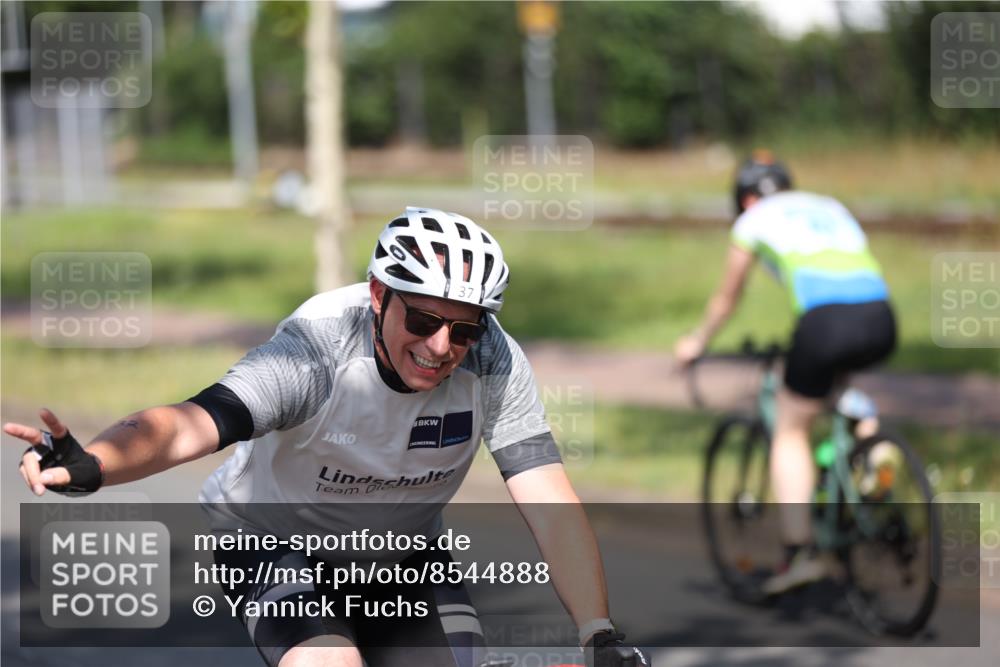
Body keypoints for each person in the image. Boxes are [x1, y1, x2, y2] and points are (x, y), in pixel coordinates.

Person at [8, 207, 648, 667]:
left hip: (399, 552)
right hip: (272, 544)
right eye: (423, 319)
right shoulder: (316, 351)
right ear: (378, 295)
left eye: (463, 329)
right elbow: (191, 423)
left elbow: (549, 502)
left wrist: (599, 635)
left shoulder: (493, 361)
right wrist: (97, 462)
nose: (439, 347)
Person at [674, 153, 897, 595]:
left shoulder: (754, 219)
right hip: (880, 316)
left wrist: (697, 341)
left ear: (748, 199)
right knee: (833, 383)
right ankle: (873, 446)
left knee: (790, 430)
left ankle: (801, 553)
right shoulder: (829, 206)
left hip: (824, 323)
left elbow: (727, 297)